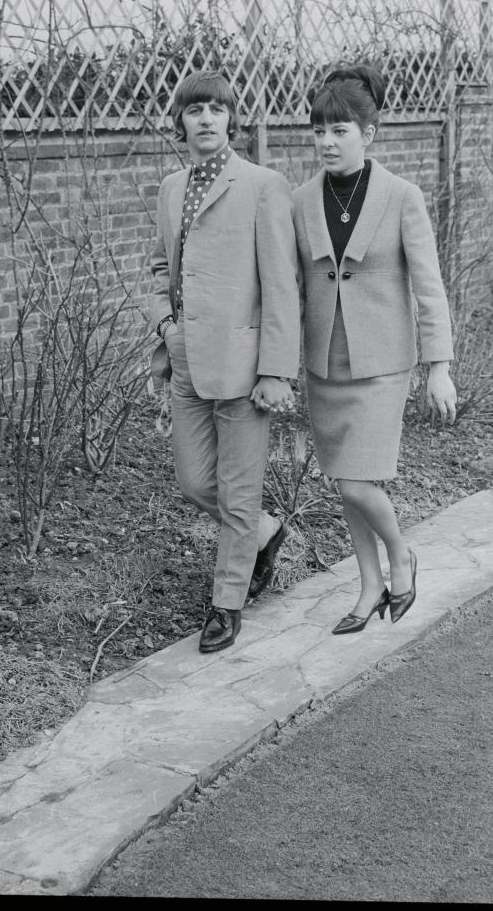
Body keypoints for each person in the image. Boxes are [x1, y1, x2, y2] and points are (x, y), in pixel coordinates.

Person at [292, 64, 457, 635]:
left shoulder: (402, 197)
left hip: (384, 364)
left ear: (370, 132)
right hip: (323, 364)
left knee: (357, 480)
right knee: (346, 482)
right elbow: (291, 285)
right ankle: (368, 586)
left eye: (340, 129)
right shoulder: (300, 200)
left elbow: (429, 285)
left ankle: (401, 557)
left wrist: (440, 367)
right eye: (319, 130)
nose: (327, 142)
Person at [148, 70, 301, 653]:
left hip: (245, 365)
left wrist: (275, 371)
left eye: (216, 109)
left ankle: (227, 602)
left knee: (238, 492)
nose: (206, 120)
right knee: (193, 482)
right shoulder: (169, 187)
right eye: (195, 111)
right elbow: (159, 268)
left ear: (230, 119)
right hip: (186, 358)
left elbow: (281, 286)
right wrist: (166, 325)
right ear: (180, 122)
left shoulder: (263, 185)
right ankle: (265, 532)